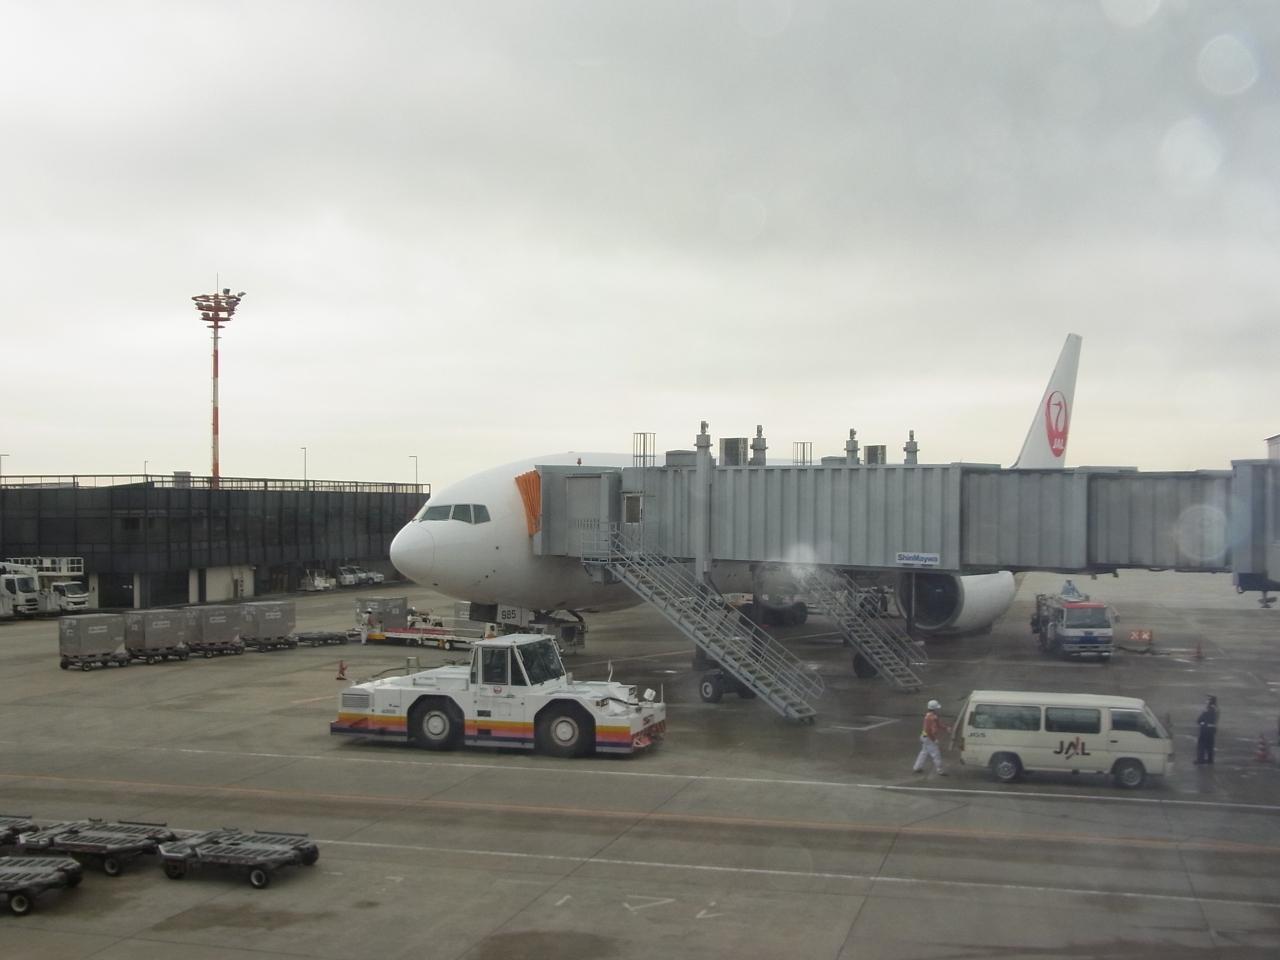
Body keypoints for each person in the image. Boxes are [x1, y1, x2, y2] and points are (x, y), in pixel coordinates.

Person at [913, 699, 949, 775]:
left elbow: (938, 725)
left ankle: (917, 767)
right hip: (928, 737)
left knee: (924, 752)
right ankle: (940, 770)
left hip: (925, 736)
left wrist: (946, 728)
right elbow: (928, 731)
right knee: (936, 753)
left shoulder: (932, 716)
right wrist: (934, 739)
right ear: (934, 708)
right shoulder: (930, 717)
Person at [1195, 695, 1219, 764]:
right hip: (1212, 729)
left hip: (1205, 729)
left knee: (1201, 744)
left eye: (1208, 700)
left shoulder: (1207, 709)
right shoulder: (1217, 709)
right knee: (1210, 745)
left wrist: (1200, 722)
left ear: (1210, 701)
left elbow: (1200, 719)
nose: (1206, 701)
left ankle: (1200, 759)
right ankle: (1210, 759)